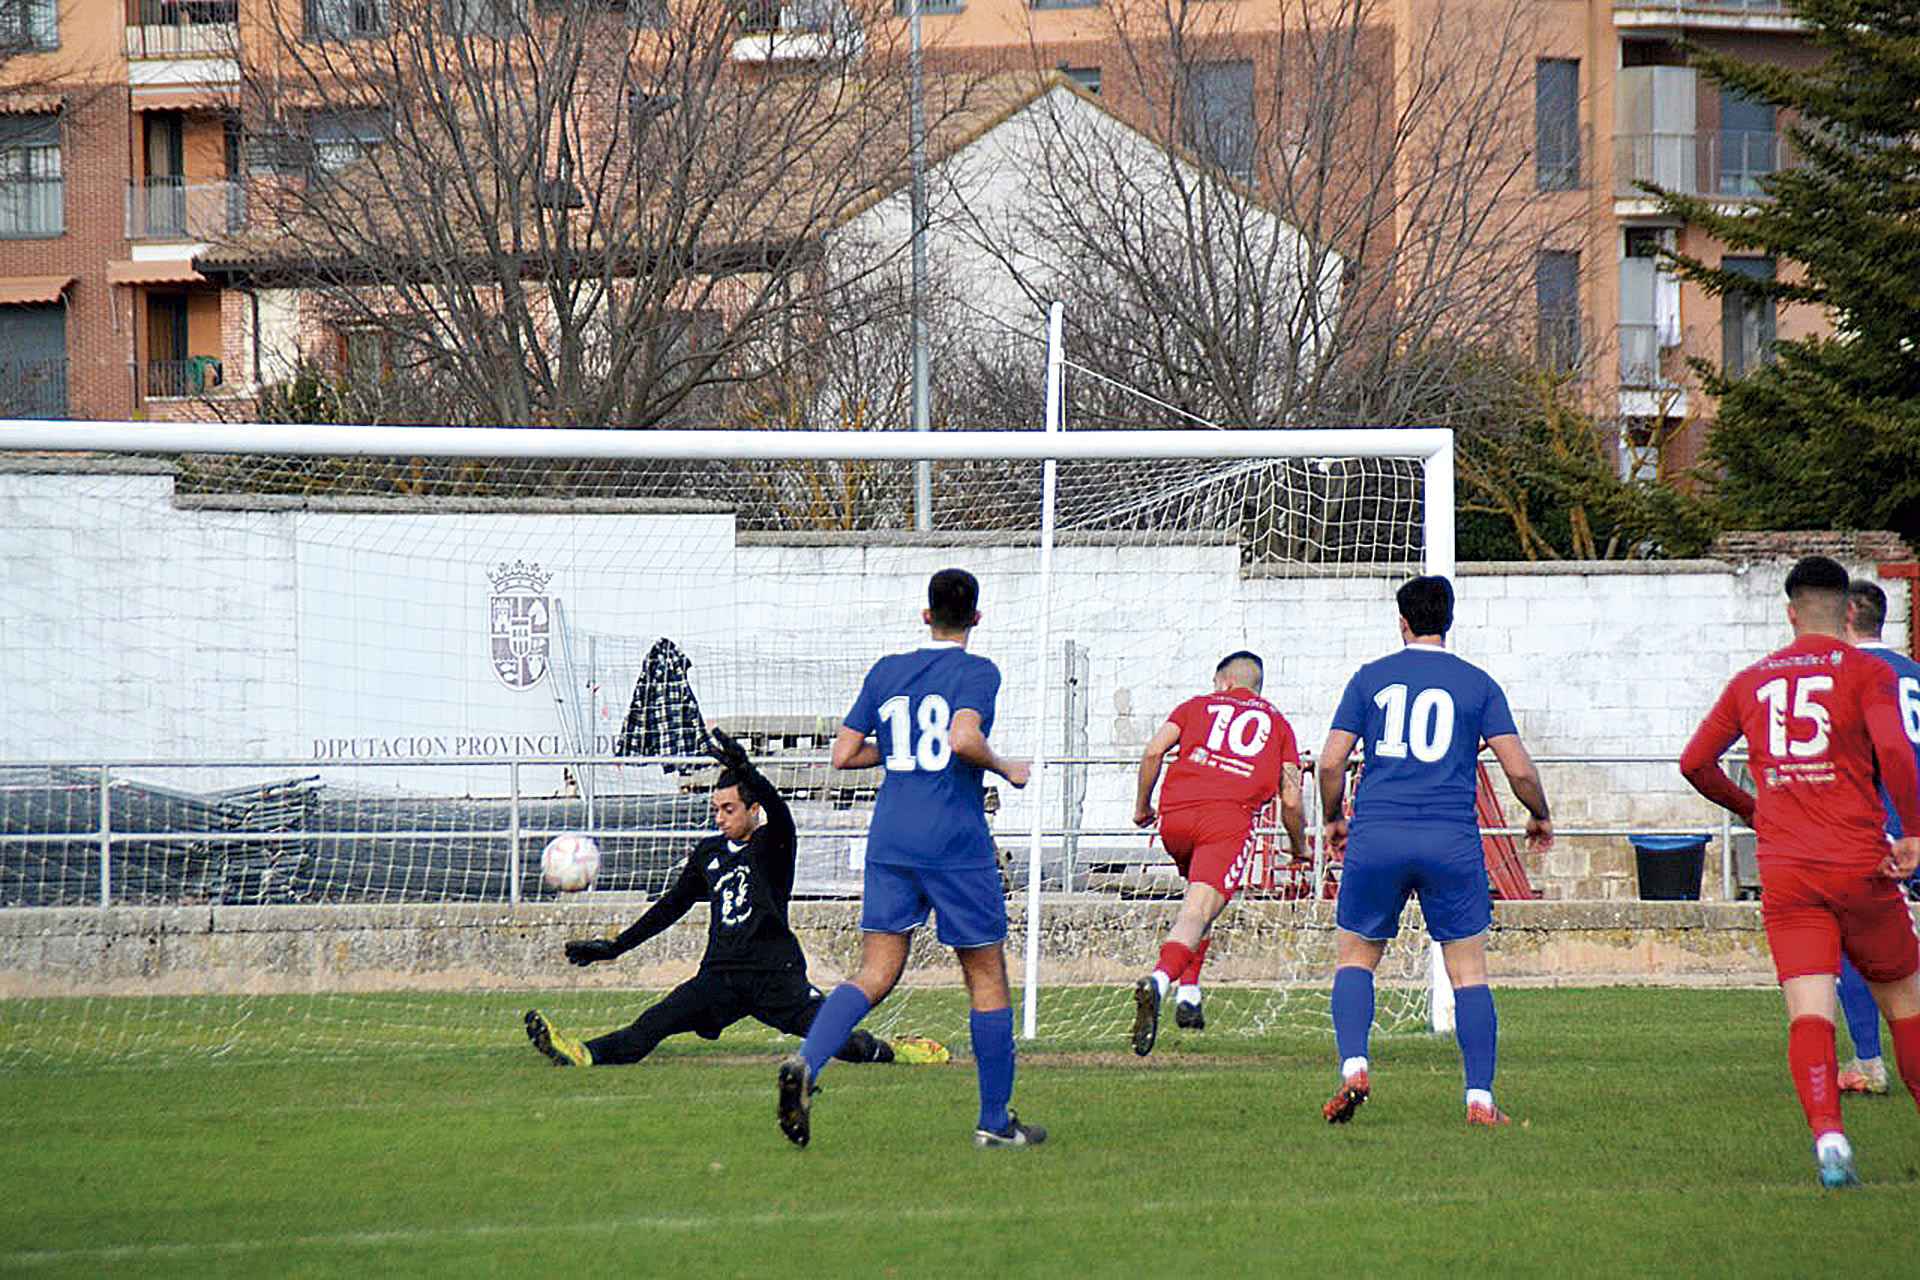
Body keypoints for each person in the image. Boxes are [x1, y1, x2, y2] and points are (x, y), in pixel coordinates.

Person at [779, 567, 1043, 1149]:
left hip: (891, 836)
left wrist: (897, 748)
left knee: (876, 972)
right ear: (976, 617)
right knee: (986, 973)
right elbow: (963, 739)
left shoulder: (886, 670)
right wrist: (1006, 768)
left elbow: (843, 755)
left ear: (926, 615)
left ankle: (807, 1062)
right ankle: (995, 1121)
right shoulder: (977, 671)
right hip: (953, 838)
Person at [1679, 555, 1920, 1188]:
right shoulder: (1867, 670)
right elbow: (1893, 749)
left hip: (1787, 870)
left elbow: (1695, 762)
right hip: (1859, 861)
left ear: (1790, 613)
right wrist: (1914, 833)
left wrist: (1752, 809)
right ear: (1848, 612)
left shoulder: (1751, 679)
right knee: (1904, 999)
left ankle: (1830, 1138)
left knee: (1809, 1010)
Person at [524, 727, 948, 1070]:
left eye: (729, 809)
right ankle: (582, 1053)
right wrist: (615, 947)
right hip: (720, 978)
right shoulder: (709, 854)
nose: (720, 818)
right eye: (717, 809)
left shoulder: (772, 845)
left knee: (841, 1042)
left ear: (752, 809)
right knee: (652, 1023)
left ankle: (898, 1051)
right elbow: (671, 907)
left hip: (776, 978)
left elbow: (781, 814)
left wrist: (750, 771)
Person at [1315, 575, 1553, 1127]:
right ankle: (1480, 1099)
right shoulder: (1478, 684)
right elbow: (1518, 769)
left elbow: (1330, 762)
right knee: (1468, 973)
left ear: (1402, 622)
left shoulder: (1369, 679)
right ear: (1449, 620)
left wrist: (1332, 818)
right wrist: (1539, 813)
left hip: (1378, 834)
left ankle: (1354, 1066)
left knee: (1356, 959)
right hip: (1450, 839)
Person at [1128, 651, 1305, 1054]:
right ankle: (1160, 981)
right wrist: (1300, 847)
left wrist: (1142, 806)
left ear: (1223, 681)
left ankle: (1189, 993)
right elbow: (1292, 799)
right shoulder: (1278, 723)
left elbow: (1153, 751)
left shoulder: (1194, 706)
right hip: (1226, 821)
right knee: (1198, 911)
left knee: (1199, 901)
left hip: (1175, 818)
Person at [1830, 578, 1920, 1095]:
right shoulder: (1916, 674)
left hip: (1885, 826)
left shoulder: (1848, 675)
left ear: (1844, 618)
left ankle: (1868, 1061)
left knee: (1853, 941)